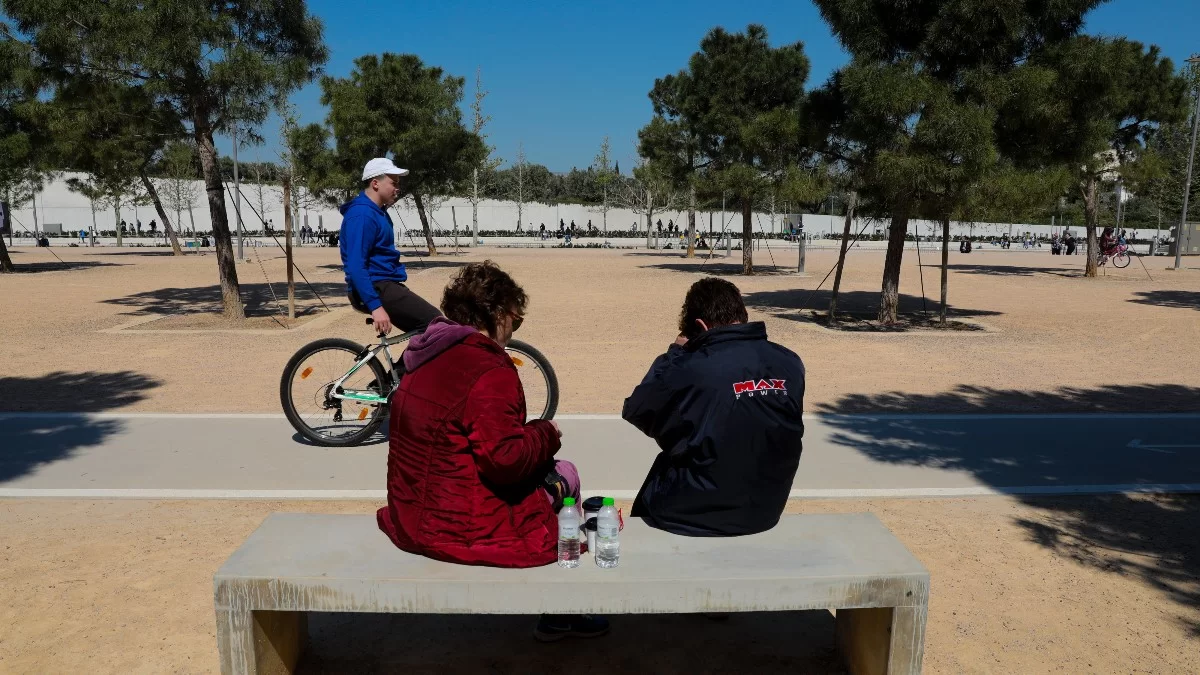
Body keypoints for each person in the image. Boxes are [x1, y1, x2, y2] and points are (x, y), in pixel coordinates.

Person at [379, 261, 608, 641]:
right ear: (498, 315)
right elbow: (506, 461)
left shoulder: (421, 355)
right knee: (565, 473)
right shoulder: (488, 369)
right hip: (460, 527)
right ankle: (562, 612)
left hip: (411, 515)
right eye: (515, 323)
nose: (513, 332)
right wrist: (546, 433)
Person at [622, 278, 806, 536]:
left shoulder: (689, 367)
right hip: (766, 509)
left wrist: (675, 351)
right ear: (743, 316)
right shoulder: (790, 362)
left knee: (666, 466)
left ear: (700, 326)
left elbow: (639, 410)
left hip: (695, 515)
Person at [340, 158, 441, 335]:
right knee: (434, 323)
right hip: (376, 287)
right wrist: (375, 306)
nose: (397, 188)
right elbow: (356, 266)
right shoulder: (362, 215)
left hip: (386, 284)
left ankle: (407, 364)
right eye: (393, 183)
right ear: (375, 183)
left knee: (428, 327)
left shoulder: (378, 213)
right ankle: (407, 364)